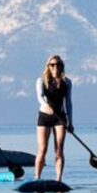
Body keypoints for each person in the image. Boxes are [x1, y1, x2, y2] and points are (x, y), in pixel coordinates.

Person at [34, 54, 73, 182]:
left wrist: (70, 122)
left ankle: (58, 179)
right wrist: (46, 105)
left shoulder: (67, 82)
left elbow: (68, 103)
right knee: (42, 149)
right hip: (44, 117)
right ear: (48, 67)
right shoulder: (41, 81)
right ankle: (37, 178)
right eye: (52, 65)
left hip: (60, 118)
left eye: (58, 65)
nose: (55, 67)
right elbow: (40, 97)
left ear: (62, 67)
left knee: (59, 150)